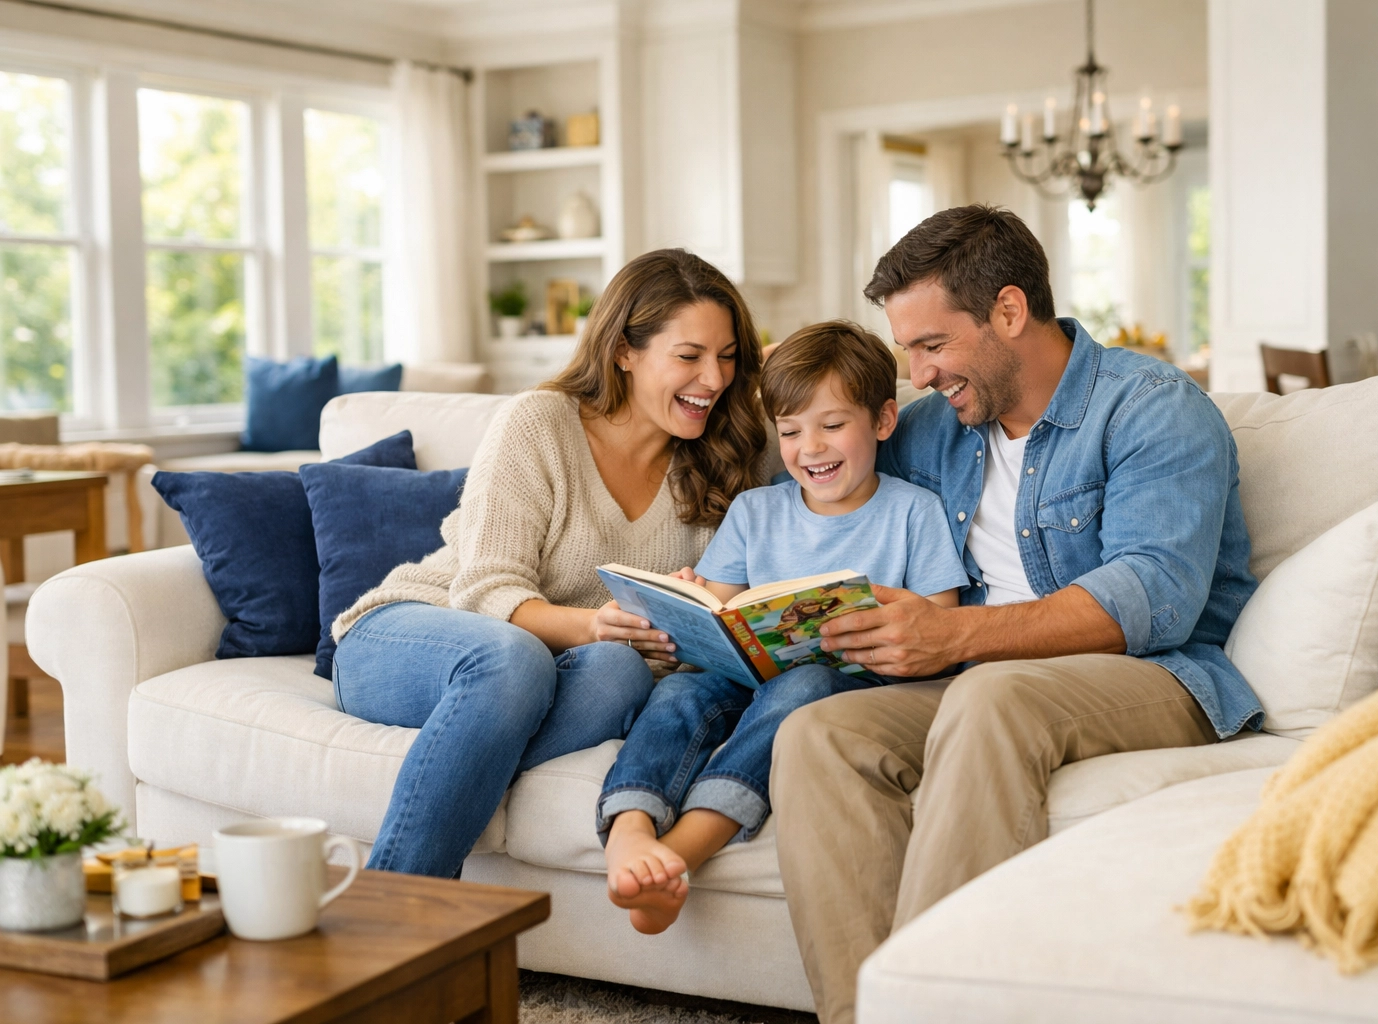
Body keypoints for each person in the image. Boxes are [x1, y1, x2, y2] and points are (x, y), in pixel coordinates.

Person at [769, 205, 1262, 1024]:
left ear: (1008, 310)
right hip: (974, 676)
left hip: (1153, 676)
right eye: (907, 352)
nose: (919, 374)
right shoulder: (934, 427)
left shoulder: (1150, 407)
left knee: (991, 695)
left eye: (933, 346)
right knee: (820, 734)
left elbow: (1154, 596)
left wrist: (953, 635)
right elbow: (817, 448)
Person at [329, 249, 767, 878]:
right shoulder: (541, 423)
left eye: (728, 357)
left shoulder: (723, 458)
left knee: (622, 674)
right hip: (412, 634)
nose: (715, 379)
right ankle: (397, 913)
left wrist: (677, 624)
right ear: (624, 350)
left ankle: (475, 747)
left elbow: (827, 449)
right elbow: (484, 590)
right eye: (690, 356)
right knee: (513, 659)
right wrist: (594, 625)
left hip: (549, 672)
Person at [598, 321, 969, 933]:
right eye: (791, 431)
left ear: (882, 421)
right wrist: (687, 598)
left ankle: (683, 850)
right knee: (679, 693)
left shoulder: (913, 511)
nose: (810, 449)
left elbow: (941, 624)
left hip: (850, 687)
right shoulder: (756, 508)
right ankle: (631, 827)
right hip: (745, 676)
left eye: (831, 426)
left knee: (802, 692)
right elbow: (716, 605)